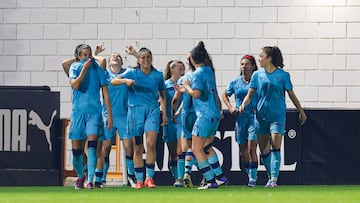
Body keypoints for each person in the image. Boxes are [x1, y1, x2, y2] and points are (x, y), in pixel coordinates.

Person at [240, 46, 307, 188]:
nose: (259, 59)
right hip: (261, 116)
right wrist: (243, 105)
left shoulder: (283, 75)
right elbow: (250, 94)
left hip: (277, 116)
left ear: (269, 58)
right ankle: (271, 176)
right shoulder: (257, 75)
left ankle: (273, 180)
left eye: (261, 56)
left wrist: (301, 111)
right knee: (264, 150)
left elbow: (291, 94)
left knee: (276, 147)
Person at [111, 47, 167, 189]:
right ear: (138, 59)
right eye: (142, 57)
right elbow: (113, 82)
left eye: (148, 57)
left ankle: (150, 178)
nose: (146, 60)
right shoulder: (131, 72)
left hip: (152, 111)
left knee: (151, 144)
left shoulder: (157, 75)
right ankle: (139, 179)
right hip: (135, 112)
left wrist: (165, 113)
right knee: (138, 146)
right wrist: (125, 82)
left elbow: (163, 94)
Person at [67, 44, 113, 189]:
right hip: (78, 112)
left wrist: (109, 115)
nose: (88, 57)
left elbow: (105, 93)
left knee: (93, 146)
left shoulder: (98, 70)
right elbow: (75, 85)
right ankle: (81, 176)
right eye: (84, 55)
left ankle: (90, 180)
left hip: (95, 112)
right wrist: (84, 70)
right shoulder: (75, 67)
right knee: (76, 152)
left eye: (89, 54)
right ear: (79, 56)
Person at [181, 41, 223, 189]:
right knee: (206, 147)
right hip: (214, 113)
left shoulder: (198, 73)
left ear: (193, 59)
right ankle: (219, 176)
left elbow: (196, 93)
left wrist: (186, 87)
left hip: (204, 115)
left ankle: (210, 181)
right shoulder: (209, 70)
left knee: (196, 149)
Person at [99, 47, 138, 188]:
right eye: (112, 56)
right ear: (109, 62)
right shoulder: (104, 74)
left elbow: (143, 67)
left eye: (118, 56)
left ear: (122, 61)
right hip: (107, 115)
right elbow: (92, 65)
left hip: (124, 115)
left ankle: (131, 176)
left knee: (129, 146)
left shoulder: (127, 73)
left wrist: (134, 53)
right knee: (105, 147)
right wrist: (95, 53)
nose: (115, 56)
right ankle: (102, 178)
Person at [222, 55, 259, 187]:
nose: (244, 66)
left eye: (247, 64)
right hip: (240, 118)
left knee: (251, 147)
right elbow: (224, 94)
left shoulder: (258, 81)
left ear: (253, 66)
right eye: (242, 64)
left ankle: (253, 179)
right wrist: (230, 107)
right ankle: (250, 174)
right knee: (243, 149)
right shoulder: (235, 82)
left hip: (254, 117)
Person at [171, 53, 197, 188]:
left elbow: (175, 99)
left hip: (186, 115)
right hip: (199, 115)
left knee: (185, 147)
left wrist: (172, 113)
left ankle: (182, 177)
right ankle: (207, 176)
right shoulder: (202, 76)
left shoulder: (184, 79)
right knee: (200, 148)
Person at [163, 60, 185, 187]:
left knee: (180, 149)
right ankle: (176, 176)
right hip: (169, 121)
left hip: (181, 120)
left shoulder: (185, 83)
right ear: (172, 70)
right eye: (180, 69)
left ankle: (181, 178)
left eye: (183, 69)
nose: (182, 71)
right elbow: (159, 99)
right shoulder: (165, 85)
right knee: (172, 151)